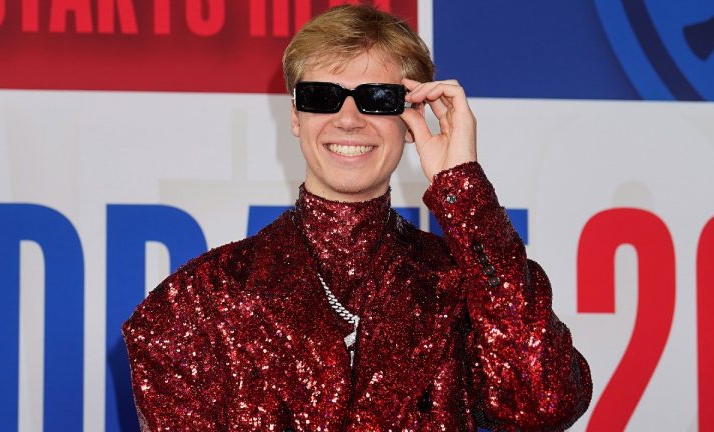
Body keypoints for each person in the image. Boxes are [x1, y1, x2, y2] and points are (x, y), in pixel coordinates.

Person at [123, 5, 592, 431]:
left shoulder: (461, 285)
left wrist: (464, 191)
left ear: (413, 117)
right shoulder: (194, 304)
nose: (348, 119)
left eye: (377, 98)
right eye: (322, 95)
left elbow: (541, 403)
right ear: (294, 116)